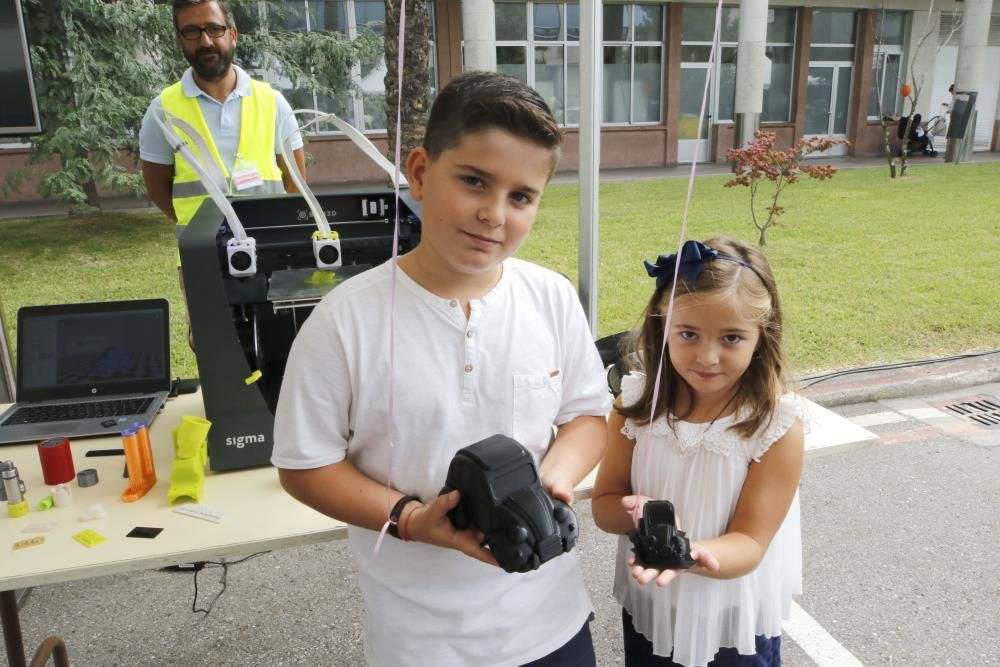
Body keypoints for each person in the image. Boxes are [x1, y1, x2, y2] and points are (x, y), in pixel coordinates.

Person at [271, 71, 612, 666]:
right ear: (422, 173)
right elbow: (306, 466)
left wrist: (554, 480)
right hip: (422, 644)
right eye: (475, 181)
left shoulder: (552, 298)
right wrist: (406, 518)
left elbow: (587, 416)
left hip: (551, 625)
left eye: (521, 196)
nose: (494, 214)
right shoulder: (343, 321)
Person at [592, 237, 805, 667]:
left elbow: (750, 541)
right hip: (653, 602)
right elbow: (604, 505)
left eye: (731, 338)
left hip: (728, 615)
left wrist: (690, 554)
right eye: (688, 334)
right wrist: (633, 511)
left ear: (762, 337)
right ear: (661, 328)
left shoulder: (774, 427)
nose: (708, 357)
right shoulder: (635, 408)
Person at [139, 0, 306, 347]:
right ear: (179, 39)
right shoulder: (162, 111)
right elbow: (158, 189)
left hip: (273, 254)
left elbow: (296, 184)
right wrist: (200, 229)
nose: (205, 41)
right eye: (192, 31)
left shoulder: (272, 102)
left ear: (233, 34)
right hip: (203, 257)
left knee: (281, 348)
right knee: (217, 359)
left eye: (214, 29)